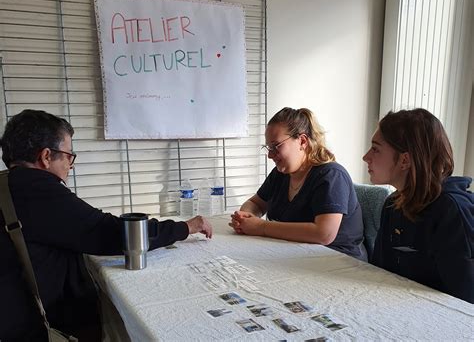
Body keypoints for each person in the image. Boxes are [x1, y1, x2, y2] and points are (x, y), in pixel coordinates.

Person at [0, 109, 213, 341]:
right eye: (68, 155)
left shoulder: (7, 184)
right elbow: (113, 233)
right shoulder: (37, 189)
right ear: (46, 156)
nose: (70, 166)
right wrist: (184, 227)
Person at [363, 108, 473, 303]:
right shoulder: (393, 204)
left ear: (404, 160)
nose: (366, 157)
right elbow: (379, 274)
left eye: (376, 149)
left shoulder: (451, 210)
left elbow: (464, 301)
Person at [229, 107, 366, 260]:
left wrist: (261, 227)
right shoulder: (281, 173)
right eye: (268, 147)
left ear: (302, 141)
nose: (270, 155)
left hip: (338, 261)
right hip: (296, 256)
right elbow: (256, 203)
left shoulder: (331, 175)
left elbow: (324, 234)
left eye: (276, 146)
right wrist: (246, 217)